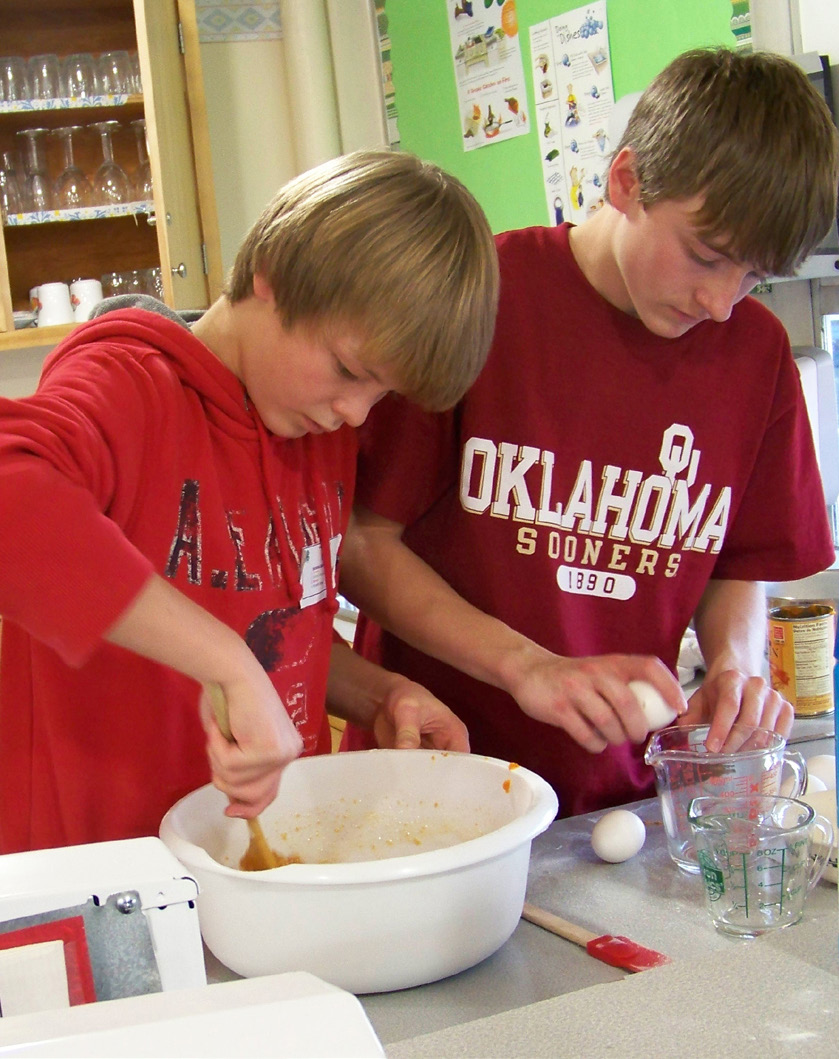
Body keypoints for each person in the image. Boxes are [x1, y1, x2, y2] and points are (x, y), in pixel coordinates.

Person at [336, 48, 839, 817]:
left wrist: (734, 666)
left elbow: (740, 561)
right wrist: (527, 666)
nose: (718, 302)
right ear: (626, 181)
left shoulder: (756, 353)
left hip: (622, 799)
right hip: (430, 784)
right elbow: (360, 542)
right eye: (704, 256)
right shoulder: (479, 299)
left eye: (752, 278)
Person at [0, 149, 498, 853]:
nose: (356, 413)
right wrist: (225, 660)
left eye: (381, 392)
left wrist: (381, 695)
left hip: (258, 863)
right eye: (349, 371)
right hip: (108, 875)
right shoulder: (128, 385)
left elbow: (280, 634)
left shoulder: (310, 426)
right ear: (270, 277)